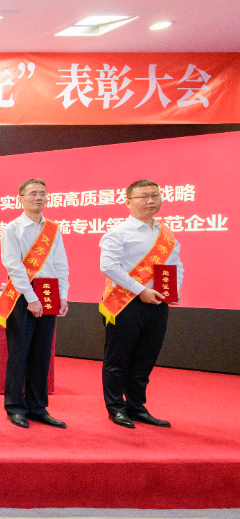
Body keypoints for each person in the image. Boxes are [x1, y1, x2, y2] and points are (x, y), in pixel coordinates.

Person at [98, 179, 183, 429]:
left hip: (157, 303)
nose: (150, 201)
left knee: (145, 359)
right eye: (143, 196)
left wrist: (175, 289)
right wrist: (140, 290)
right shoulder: (118, 232)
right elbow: (108, 266)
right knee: (117, 359)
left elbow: (176, 264)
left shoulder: (165, 233)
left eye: (155, 195)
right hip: (124, 304)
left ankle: (136, 406)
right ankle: (116, 407)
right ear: (128, 202)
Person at [0, 178, 69, 429]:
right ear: (21, 199)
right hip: (22, 297)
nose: (39, 198)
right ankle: (15, 407)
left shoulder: (53, 229)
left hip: (49, 296)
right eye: (33, 194)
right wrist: (31, 298)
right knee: (19, 354)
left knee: (41, 354)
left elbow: (60, 263)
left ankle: (38, 407)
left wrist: (63, 294)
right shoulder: (13, 229)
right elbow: (14, 266)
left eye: (42, 193)